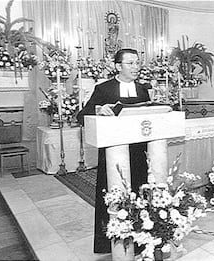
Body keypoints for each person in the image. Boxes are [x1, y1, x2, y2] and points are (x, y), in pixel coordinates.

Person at [77, 48, 150, 253]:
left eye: (137, 63)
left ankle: (142, 239)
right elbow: (81, 116)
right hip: (113, 155)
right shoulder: (104, 89)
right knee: (115, 197)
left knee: (140, 193)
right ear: (118, 66)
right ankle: (112, 242)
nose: (136, 67)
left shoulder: (143, 89)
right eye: (131, 63)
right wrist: (99, 109)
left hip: (138, 153)